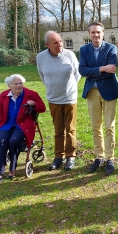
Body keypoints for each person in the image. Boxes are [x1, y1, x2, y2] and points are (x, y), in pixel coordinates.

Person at [0, 74, 46, 185]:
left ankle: (12, 169)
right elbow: (0, 109)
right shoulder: (4, 95)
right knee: (1, 142)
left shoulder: (31, 94)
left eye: (20, 83)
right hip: (6, 123)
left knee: (13, 141)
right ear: (10, 85)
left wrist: (34, 104)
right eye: (16, 84)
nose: (19, 85)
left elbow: (42, 108)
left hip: (23, 124)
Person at [79, 22, 118, 176]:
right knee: (96, 126)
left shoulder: (111, 48)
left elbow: (112, 70)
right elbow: (82, 70)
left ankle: (110, 158)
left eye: (98, 32)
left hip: (109, 91)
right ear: (89, 34)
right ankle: (99, 157)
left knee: (109, 126)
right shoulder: (84, 50)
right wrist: (102, 68)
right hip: (92, 92)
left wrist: (93, 71)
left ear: (103, 33)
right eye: (93, 33)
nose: (96, 35)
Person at [36, 31, 81, 171]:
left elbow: (77, 73)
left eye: (60, 41)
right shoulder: (41, 57)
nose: (59, 45)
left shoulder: (70, 55)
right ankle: (58, 157)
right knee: (58, 130)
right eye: (55, 43)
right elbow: (42, 75)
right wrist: (53, 88)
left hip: (69, 98)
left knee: (70, 129)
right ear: (47, 45)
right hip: (53, 99)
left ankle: (70, 156)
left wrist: (70, 89)